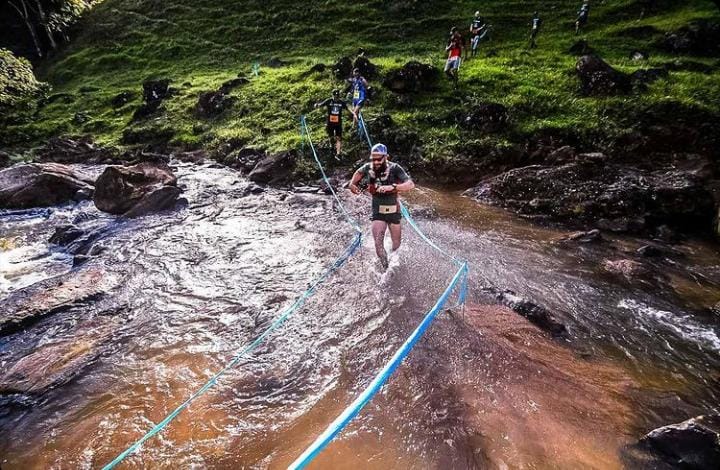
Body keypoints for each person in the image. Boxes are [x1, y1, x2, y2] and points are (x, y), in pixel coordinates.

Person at [348, 143, 415, 270]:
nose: (376, 162)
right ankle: (386, 268)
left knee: (396, 244)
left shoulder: (395, 168)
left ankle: (394, 263)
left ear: (386, 157)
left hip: (394, 211)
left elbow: (411, 184)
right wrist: (352, 184)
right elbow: (358, 172)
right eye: (374, 158)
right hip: (378, 212)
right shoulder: (368, 167)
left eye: (379, 159)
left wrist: (394, 187)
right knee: (378, 245)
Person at [314, 89, 355, 158]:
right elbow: (321, 105)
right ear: (332, 95)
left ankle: (338, 153)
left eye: (337, 96)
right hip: (330, 122)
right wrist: (317, 105)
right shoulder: (329, 101)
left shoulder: (341, 102)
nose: (336, 98)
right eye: (335, 96)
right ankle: (331, 145)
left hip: (338, 123)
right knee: (331, 136)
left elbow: (347, 108)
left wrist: (353, 113)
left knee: (338, 137)